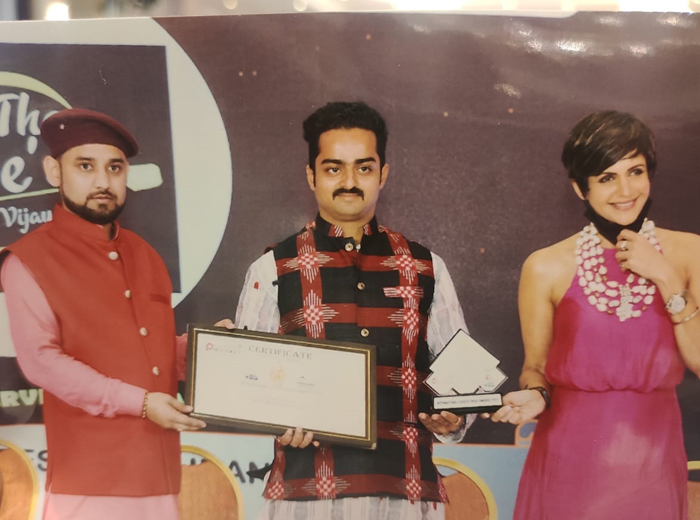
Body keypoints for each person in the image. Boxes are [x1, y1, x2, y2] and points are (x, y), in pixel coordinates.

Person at [235, 101, 473, 519]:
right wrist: (276, 419)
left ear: (383, 174)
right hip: (306, 496)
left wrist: (456, 418)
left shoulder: (426, 267)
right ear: (311, 176)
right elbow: (246, 383)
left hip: (406, 493)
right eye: (333, 168)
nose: (349, 182)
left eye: (363, 168)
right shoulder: (273, 267)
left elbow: (465, 381)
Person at [486, 110, 700, 519]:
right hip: (569, 461)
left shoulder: (689, 252)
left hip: (654, 459)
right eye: (606, 177)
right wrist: (535, 394)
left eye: (635, 171)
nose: (625, 190)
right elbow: (535, 368)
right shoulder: (545, 266)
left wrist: (666, 277)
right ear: (580, 188)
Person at [0, 108, 208, 520]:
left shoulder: (146, 255)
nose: (102, 182)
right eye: (85, 166)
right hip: (88, 482)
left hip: (160, 478)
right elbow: (42, 362)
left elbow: (151, 353)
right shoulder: (26, 260)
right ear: (54, 171)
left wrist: (211, 351)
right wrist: (142, 403)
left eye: (114, 168)